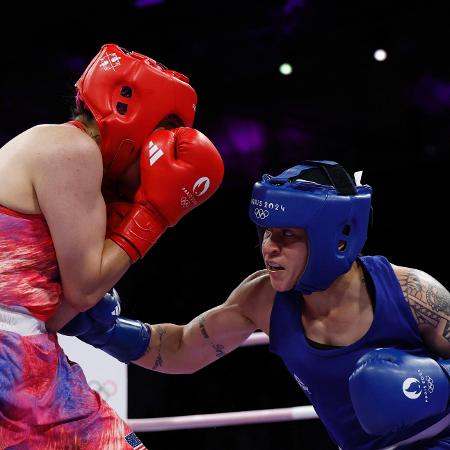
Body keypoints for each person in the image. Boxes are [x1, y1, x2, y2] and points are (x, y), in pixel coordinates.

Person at [60, 160, 450, 450]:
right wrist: (105, 331)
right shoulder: (263, 299)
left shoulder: (412, 292)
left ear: (338, 239)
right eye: (266, 233)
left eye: (287, 235)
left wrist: (438, 383)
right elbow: (181, 348)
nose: (269, 248)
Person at [0, 42, 224, 449]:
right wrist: (153, 216)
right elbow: (86, 288)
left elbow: (60, 312)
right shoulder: (72, 150)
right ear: (134, 120)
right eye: (163, 132)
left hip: (25, 350)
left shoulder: (67, 164)